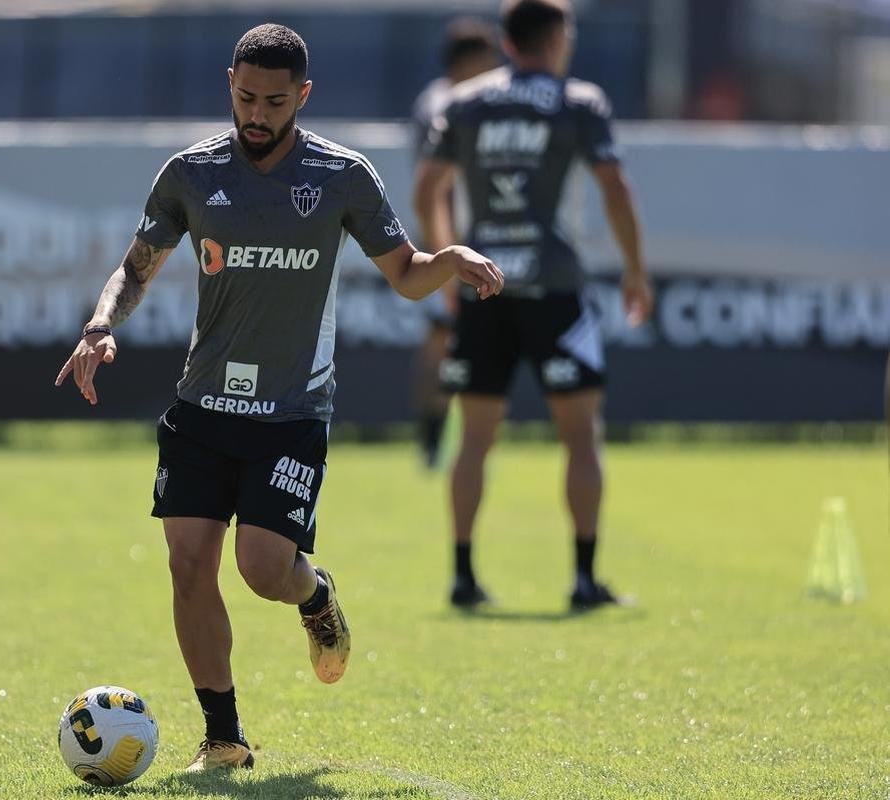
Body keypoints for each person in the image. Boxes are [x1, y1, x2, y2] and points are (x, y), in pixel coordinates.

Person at [55, 24, 504, 773]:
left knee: (263, 569)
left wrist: (447, 260)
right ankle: (224, 738)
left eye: (272, 101)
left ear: (303, 95)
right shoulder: (191, 174)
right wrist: (101, 323)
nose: (256, 114)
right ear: (229, 81)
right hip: (202, 409)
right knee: (189, 565)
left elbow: (405, 270)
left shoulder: (341, 176)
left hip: (292, 414)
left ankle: (315, 594)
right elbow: (135, 270)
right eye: (244, 97)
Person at [413, 0, 653, 611]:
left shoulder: (463, 102)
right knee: (580, 435)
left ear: (507, 40)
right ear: (556, 37)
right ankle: (582, 578)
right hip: (555, 288)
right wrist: (634, 270)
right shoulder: (580, 102)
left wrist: (446, 265)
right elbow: (616, 188)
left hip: (483, 284)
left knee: (473, 440)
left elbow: (425, 191)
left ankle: (462, 577)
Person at [410, 18, 499, 469]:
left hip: (453, 240)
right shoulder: (450, 104)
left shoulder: (437, 101)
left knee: (450, 341)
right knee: (446, 341)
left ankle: (445, 441)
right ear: (471, 60)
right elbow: (436, 187)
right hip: (453, 244)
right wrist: (445, 250)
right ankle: (437, 439)